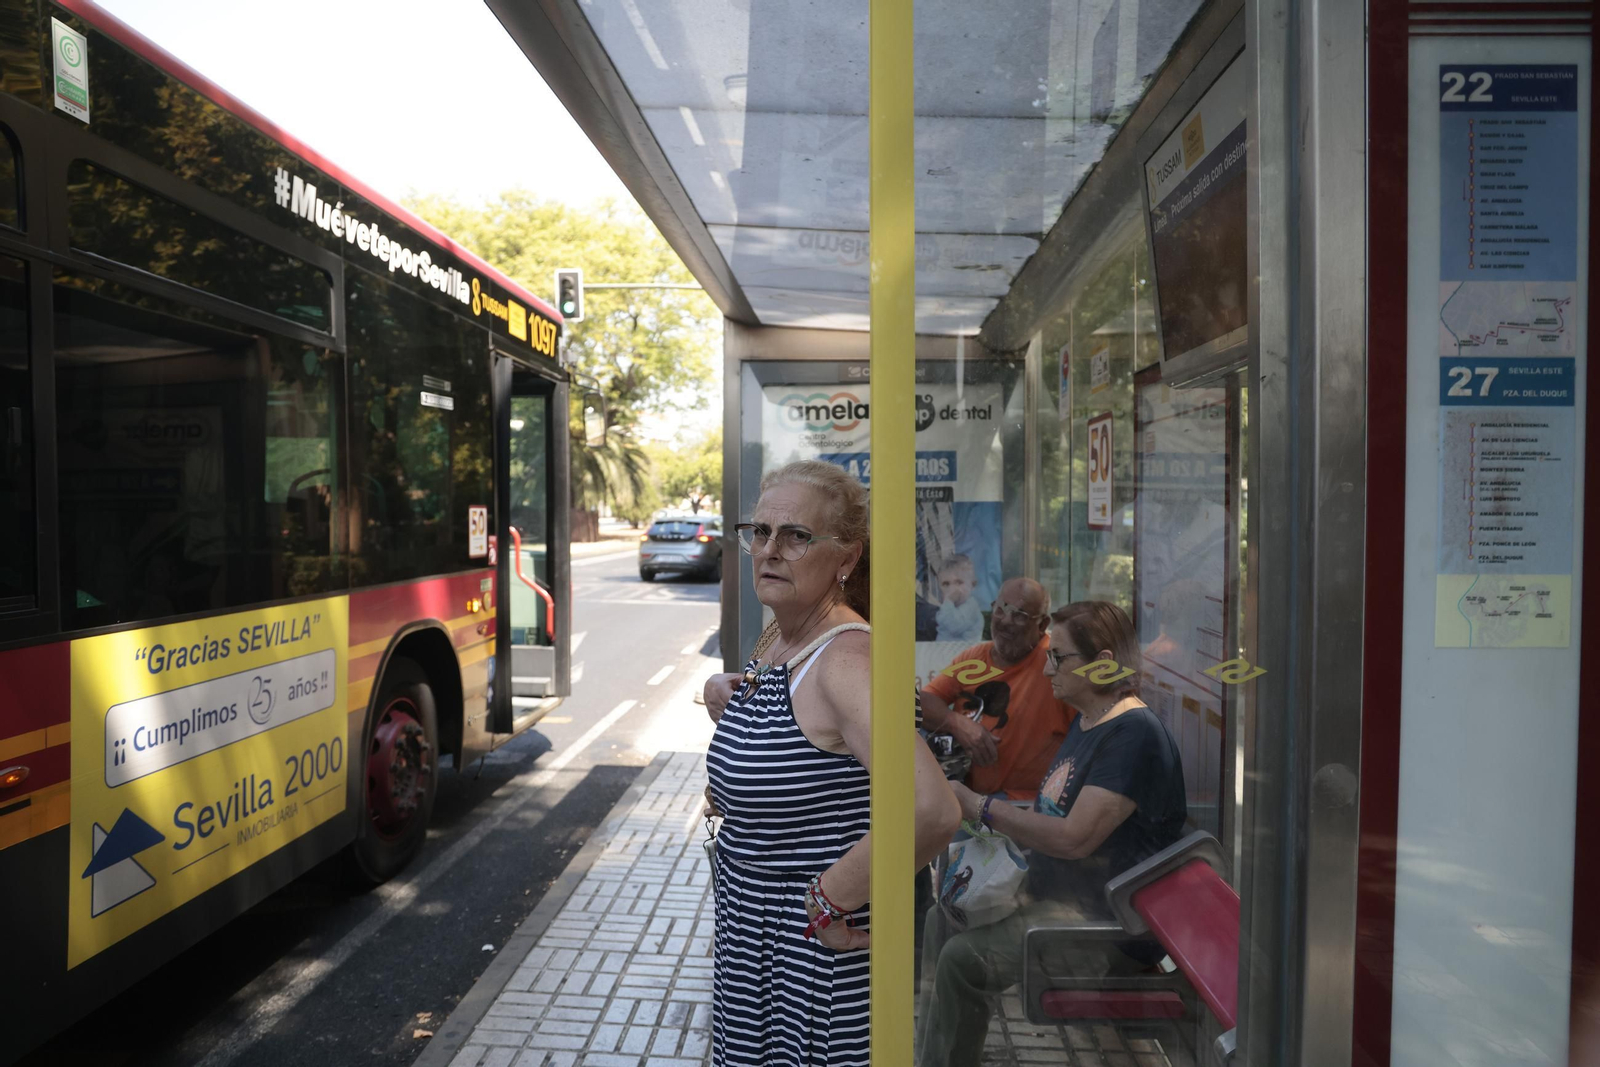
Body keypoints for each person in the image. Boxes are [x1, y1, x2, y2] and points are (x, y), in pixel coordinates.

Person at [704, 460, 960, 1067]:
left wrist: (829, 897)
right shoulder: (783, 636)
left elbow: (931, 810)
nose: (769, 550)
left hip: (808, 956)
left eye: (796, 536)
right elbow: (801, 752)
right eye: (759, 532)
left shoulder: (849, 660)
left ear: (846, 558)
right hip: (755, 939)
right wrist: (724, 694)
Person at [917, 600, 1187, 1067]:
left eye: (1058, 658)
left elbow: (1072, 839)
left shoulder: (1132, 735)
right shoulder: (1089, 721)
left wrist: (981, 808)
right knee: (939, 922)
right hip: (1058, 896)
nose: (1045, 670)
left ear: (1102, 665)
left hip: (1102, 922)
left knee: (961, 960)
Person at [917, 578, 1074, 802]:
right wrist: (957, 723)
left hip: (1028, 804)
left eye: (1020, 615)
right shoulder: (974, 658)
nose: (1006, 621)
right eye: (1001, 609)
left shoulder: (1055, 664)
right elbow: (923, 701)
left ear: (1042, 624)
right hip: (968, 797)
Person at [933, 554, 984, 643]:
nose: (952, 589)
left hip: (963, 653)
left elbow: (954, 626)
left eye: (959, 582)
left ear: (972, 585)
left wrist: (948, 602)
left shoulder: (971, 607)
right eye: (946, 584)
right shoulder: (950, 607)